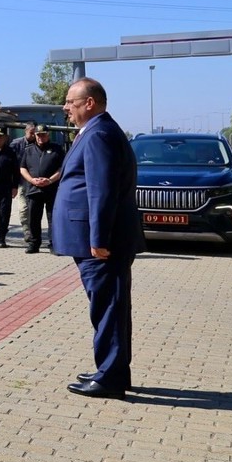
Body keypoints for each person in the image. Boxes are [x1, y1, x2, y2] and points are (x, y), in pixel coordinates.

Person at [54, 77, 145, 400]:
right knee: (109, 307)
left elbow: (101, 190)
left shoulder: (99, 134)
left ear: (89, 103)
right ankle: (112, 369)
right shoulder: (97, 131)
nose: (65, 107)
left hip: (102, 243)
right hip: (97, 239)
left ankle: (111, 378)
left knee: (108, 308)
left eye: (71, 102)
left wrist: (99, 238)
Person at [19, 124, 66, 254]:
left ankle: (54, 244)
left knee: (53, 218)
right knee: (33, 219)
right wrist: (32, 180)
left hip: (51, 189)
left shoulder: (57, 149)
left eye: (43, 135)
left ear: (48, 135)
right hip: (34, 189)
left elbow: (62, 168)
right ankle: (34, 244)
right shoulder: (28, 150)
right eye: (38, 135)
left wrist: (50, 180)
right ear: (35, 135)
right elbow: (22, 168)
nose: (40, 137)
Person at [10, 122, 37, 248]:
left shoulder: (39, 143)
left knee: (34, 209)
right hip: (21, 182)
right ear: (26, 131)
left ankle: (35, 232)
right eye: (31, 133)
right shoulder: (16, 144)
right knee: (23, 209)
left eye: (35, 133)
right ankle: (27, 232)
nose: (33, 135)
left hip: (35, 182)